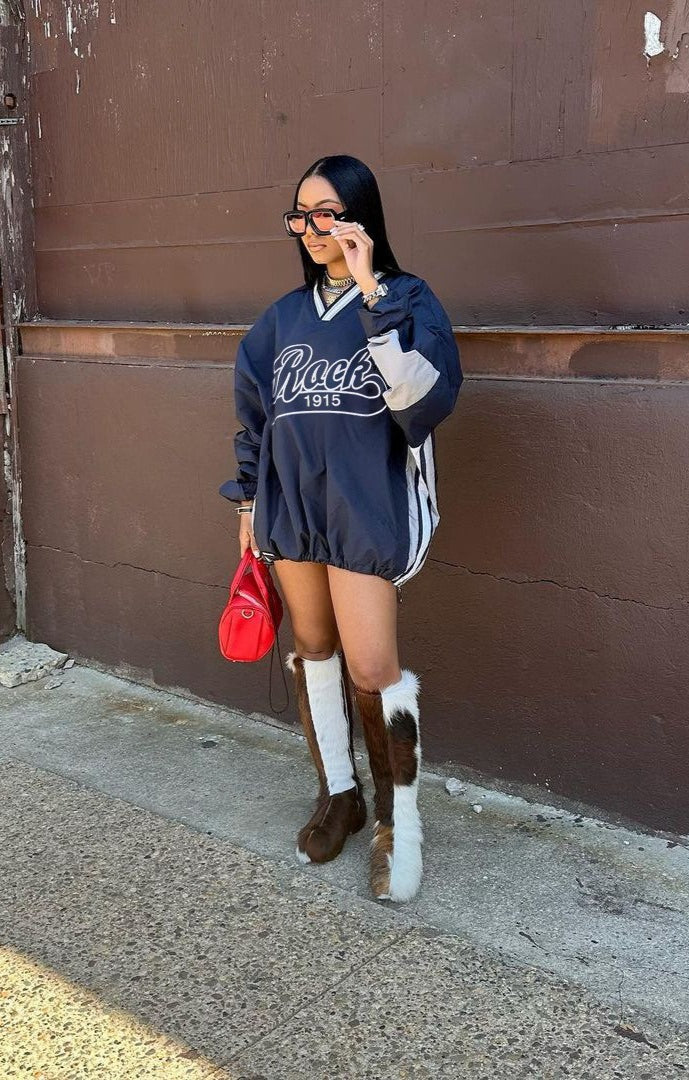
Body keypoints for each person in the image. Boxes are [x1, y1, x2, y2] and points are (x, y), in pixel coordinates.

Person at [220, 155, 462, 902]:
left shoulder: (407, 298)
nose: (312, 227)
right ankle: (339, 794)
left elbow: (422, 403)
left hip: (365, 506)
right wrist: (247, 502)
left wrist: (370, 293)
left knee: (372, 667)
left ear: (360, 214)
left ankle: (398, 822)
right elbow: (255, 417)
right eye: (301, 215)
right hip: (293, 508)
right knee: (314, 649)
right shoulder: (281, 318)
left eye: (327, 211)